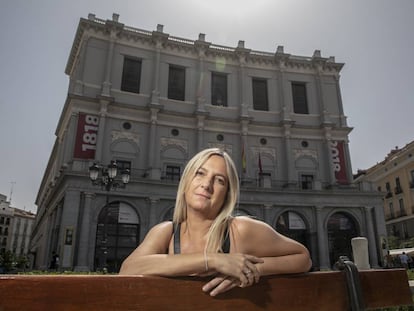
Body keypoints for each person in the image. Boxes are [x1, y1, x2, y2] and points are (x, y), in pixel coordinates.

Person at [119, 148, 312, 296]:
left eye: (219, 180)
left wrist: (249, 270)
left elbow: (303, 257)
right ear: (186, 181)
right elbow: (128, 270)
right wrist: (213, 260)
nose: (206, 185)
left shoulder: (240, 229)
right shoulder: (165, 232)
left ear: (227, 194)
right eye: (200, 173)